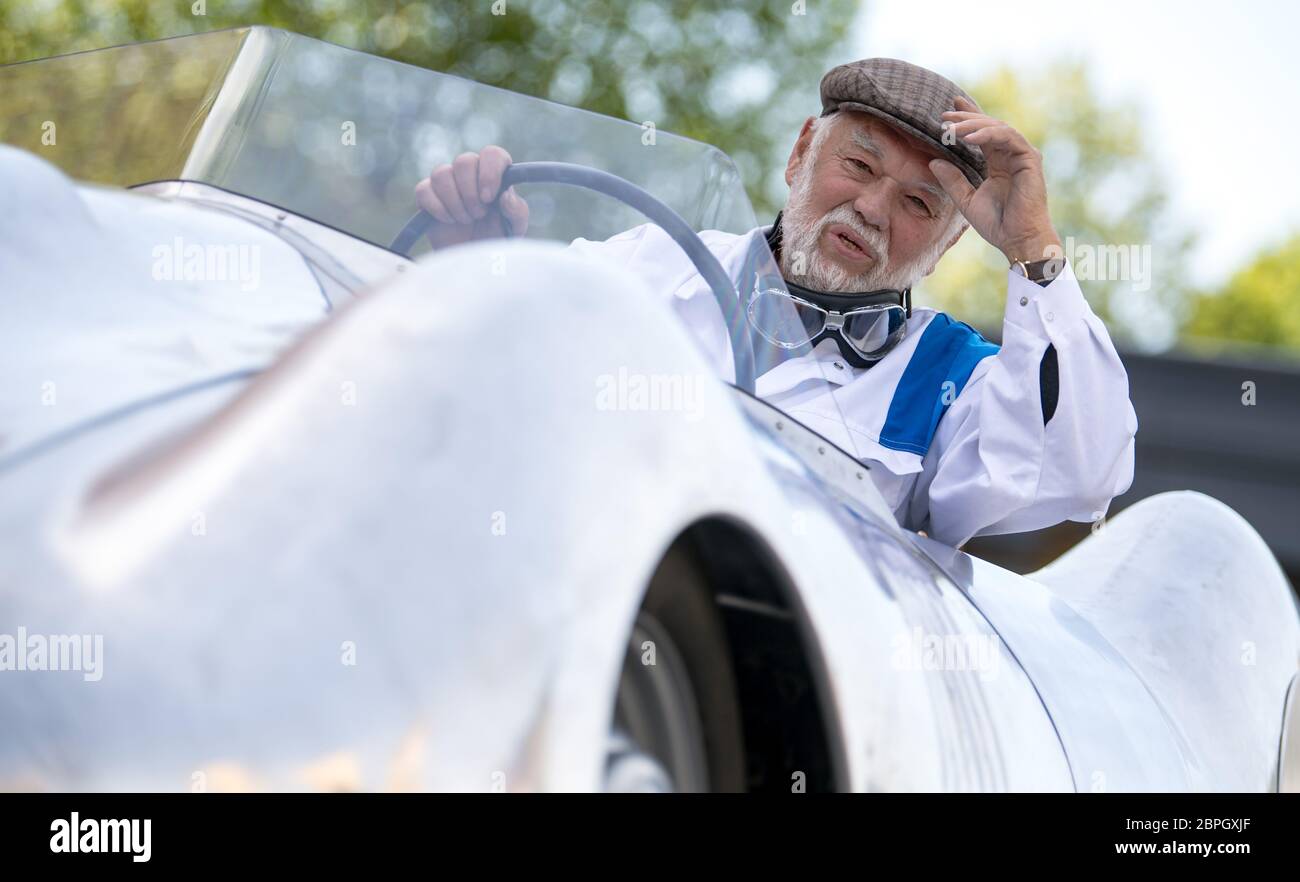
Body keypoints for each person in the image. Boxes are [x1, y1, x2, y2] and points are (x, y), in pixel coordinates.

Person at [413, 58, 1137, 548]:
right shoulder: (653, 263)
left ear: (948, 245)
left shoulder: (951, 377)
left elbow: (1081, 473)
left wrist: (1034, 251)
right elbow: (505, 380)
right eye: (859, 165)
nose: (873, 208)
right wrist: (480, 263)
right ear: (800, 156)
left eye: (919, 201)